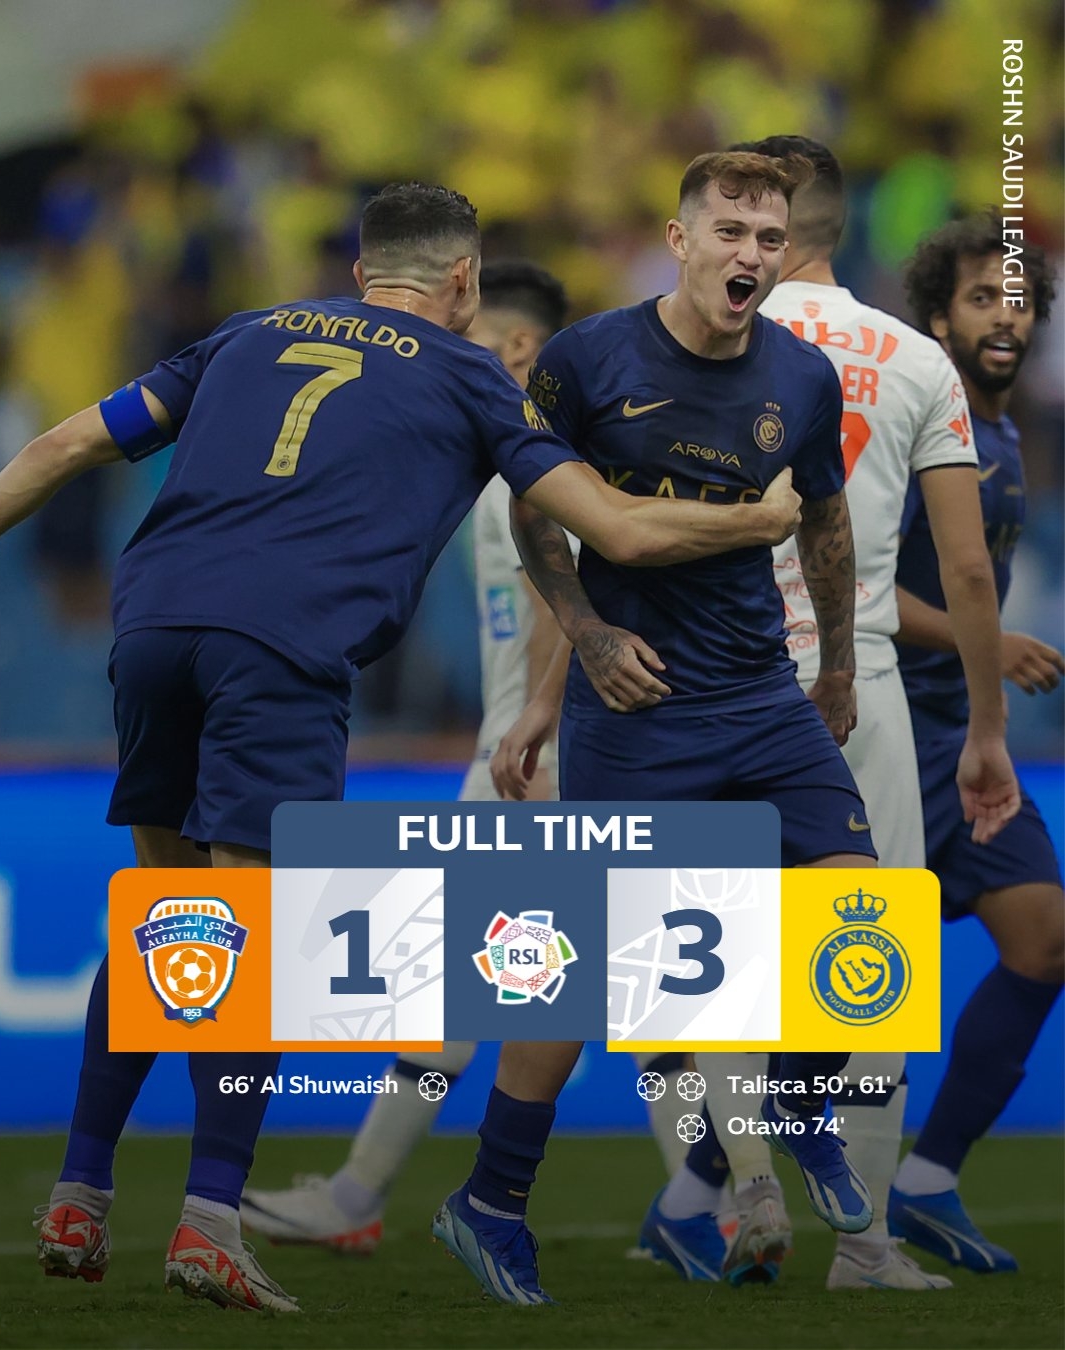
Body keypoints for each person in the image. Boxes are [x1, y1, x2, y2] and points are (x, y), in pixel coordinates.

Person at [0, 182, 804, 1313]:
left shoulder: (247, 332)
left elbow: (67, 441)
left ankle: (81, 1192)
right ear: (463, 279)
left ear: (365, 271)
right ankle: (211, 1221)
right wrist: (755, 520)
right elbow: (616, 528)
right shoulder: (470, 374)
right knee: (255, 936)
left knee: (164, 917)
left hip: (155, 628)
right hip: (281, 649)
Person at [435, 149, 897, 1306]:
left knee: (865, 918)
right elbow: (538, 516)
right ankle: (490, 1199)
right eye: (729, 232)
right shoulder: (589, 359)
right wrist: (587, 635)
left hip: (760, 691)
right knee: (584, 973)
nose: (751, 255)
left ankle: (796, 1106)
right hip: (636, 705)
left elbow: (824, 527)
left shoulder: (802, 375)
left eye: (768, 237)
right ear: (680, 241)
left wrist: (837, 667)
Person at [238, 262, 693, 1253]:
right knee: (627, 988)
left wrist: (532, 728)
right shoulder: (512, 453)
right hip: (559, 748)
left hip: (534, 756)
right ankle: (711, 1201)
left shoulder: (540, 462)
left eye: (473, 341)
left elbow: (561, 609)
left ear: (520, 351)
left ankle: (359, 1195)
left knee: (474, 982)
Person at [697, 136, 1019, 1294]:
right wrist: (986, 731)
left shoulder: (690, 339)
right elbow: (968, 569)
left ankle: (745, 1191)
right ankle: (867, 1245)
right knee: (870, 961)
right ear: (847, 226)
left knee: (718, 958)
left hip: (712, 679)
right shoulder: (916, 360)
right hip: (860, 682)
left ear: (772, 226)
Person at [888, 209, 1062, 1274]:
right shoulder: (915, 421)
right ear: (938, 318)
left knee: (1045, 939)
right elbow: (861, 588)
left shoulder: (1000, 431)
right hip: (892, 730)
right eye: (982, 298)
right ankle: (702, 1187)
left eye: (1022, 299)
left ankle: (926, 1180)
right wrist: (987, 642)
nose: (1006, 318)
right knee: (853, 980)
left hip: (964, 732)